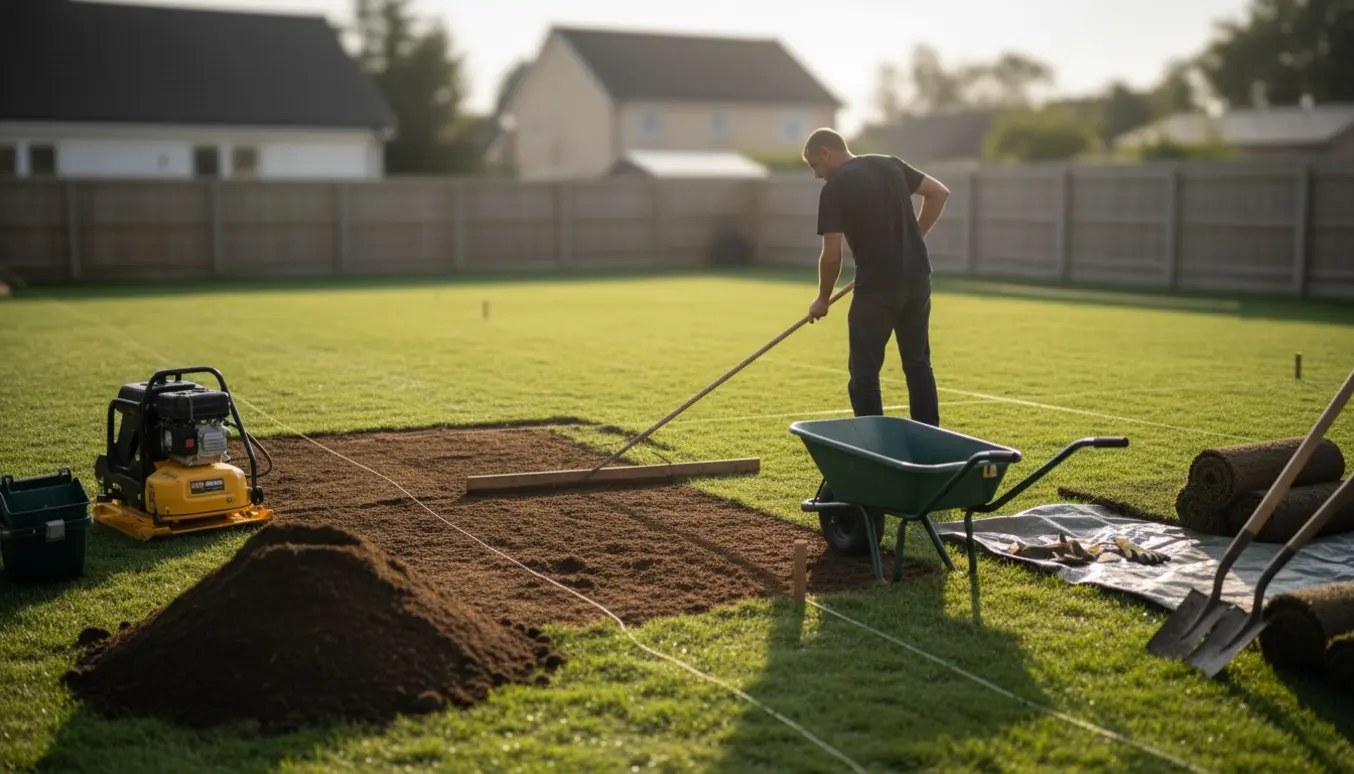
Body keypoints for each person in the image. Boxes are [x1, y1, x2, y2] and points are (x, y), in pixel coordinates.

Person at [802, 127, 949, 427]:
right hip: (918, 278)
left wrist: (822, 299)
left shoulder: (834, 188)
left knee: (864, 374)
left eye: (814, 165)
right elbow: (939, 193)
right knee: (918, 364)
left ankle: (874, 447)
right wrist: (914, 236)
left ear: (826, 152)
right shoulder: (890, 164)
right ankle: (930, 440)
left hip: (877, 287)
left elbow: (832, 255)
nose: (816, 175)